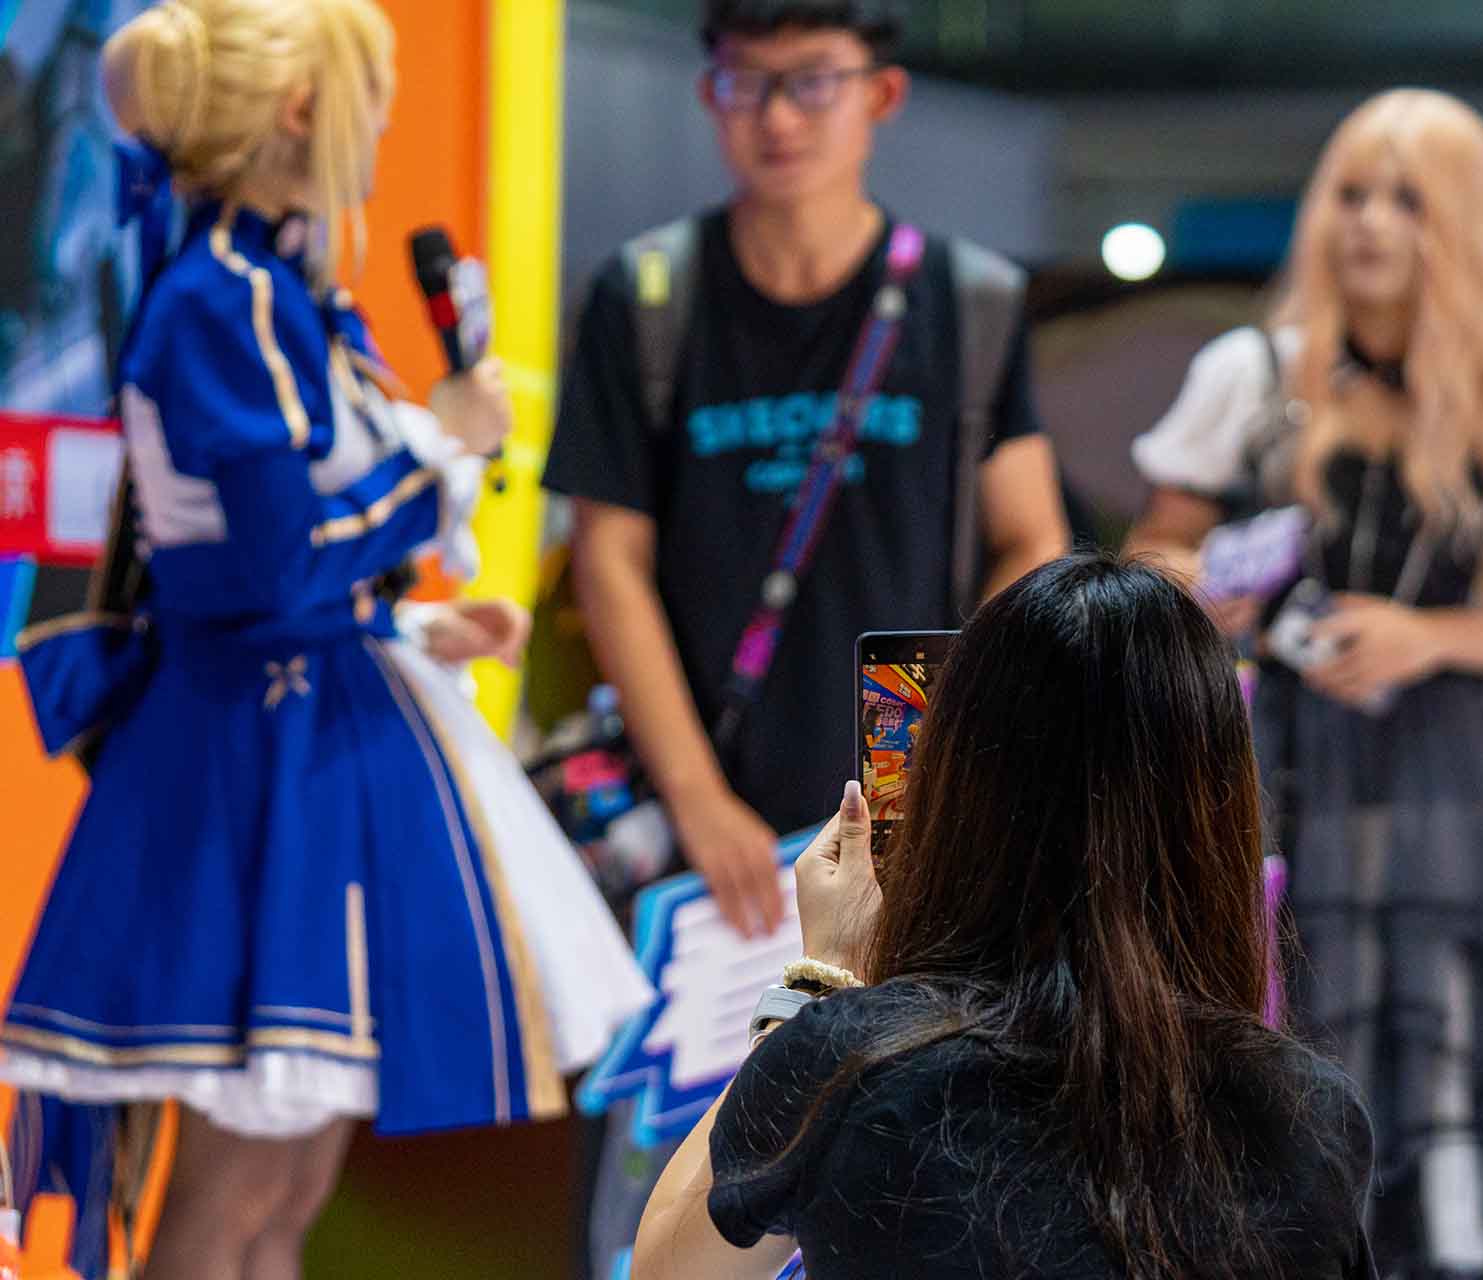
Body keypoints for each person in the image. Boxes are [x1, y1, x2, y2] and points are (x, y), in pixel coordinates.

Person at [0, 4, 648, 1278]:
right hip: (255, 770)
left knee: (285, 1189)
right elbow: (280, 559)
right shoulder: (218, 299)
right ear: (303, 110)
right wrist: (445, 443)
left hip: (308, 742)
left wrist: (413, 620)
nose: (381, 127)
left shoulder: (274, 291)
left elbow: (278, 566)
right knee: (235, 1191)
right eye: (371, 98)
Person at [1127, 89, 1483, 1278]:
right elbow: (1152, 548)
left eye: (1407, 201)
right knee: (1271, 1014)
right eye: (1351, 194)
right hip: (1268, 755)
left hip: (1445, 774)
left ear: (1464, 226)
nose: (1371, 223)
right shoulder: (1248, 374)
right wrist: (1212, 589)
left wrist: (1425, 637)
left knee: (1448, 1039)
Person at [628, 554, 1375, 1279]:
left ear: (957, 790)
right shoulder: (1309, 1113)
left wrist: (819, 979)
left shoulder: (846, 1065)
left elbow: (670, 1267)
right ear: (1217, 808)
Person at [542, 0, 1069, 942]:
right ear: (710, 94)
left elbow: (1030, 538)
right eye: (747, 82)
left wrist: (947, 760)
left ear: (882, 94)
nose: (778, 117)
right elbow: (609, 558)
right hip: (707, 829)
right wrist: (698, 799)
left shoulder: (970, 300)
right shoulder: (647, 297)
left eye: (814, 82)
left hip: (914, 816)